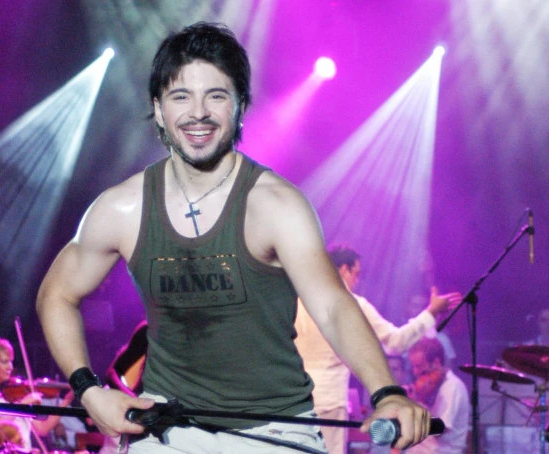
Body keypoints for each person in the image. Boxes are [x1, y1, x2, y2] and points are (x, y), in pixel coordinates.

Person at [36, 22, 433, 453]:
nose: (198, 113)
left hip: (274, 430)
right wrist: (89, 391)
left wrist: (386, 392)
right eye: (180, 96)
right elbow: (56, 294)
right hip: (166, 427)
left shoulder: (276, 205)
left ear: (240, 106)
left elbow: (333, 305)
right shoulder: (122, 208)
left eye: (216, 96)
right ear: (158, 109)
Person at [294, 245, 462, 453]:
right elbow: (395, 342)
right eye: (357, 274)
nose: (357, 281)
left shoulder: (298, 302)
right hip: (329, 401)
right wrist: (431, 312)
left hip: (296, 400)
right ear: (344, 269)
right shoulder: (353, 304)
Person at [0, 336, 75, 451]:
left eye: (11, 361)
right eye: (4, 361)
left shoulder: (7, 398)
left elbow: (42, 429)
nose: (10, 367)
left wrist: (66, 400)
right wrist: (22, 405)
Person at [404, 338, 469, 453]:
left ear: (436, 362)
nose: (415, 372)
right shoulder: (429, 387)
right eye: (413, 366)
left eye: (419, 366)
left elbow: (438, 430)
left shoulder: (451, 387)